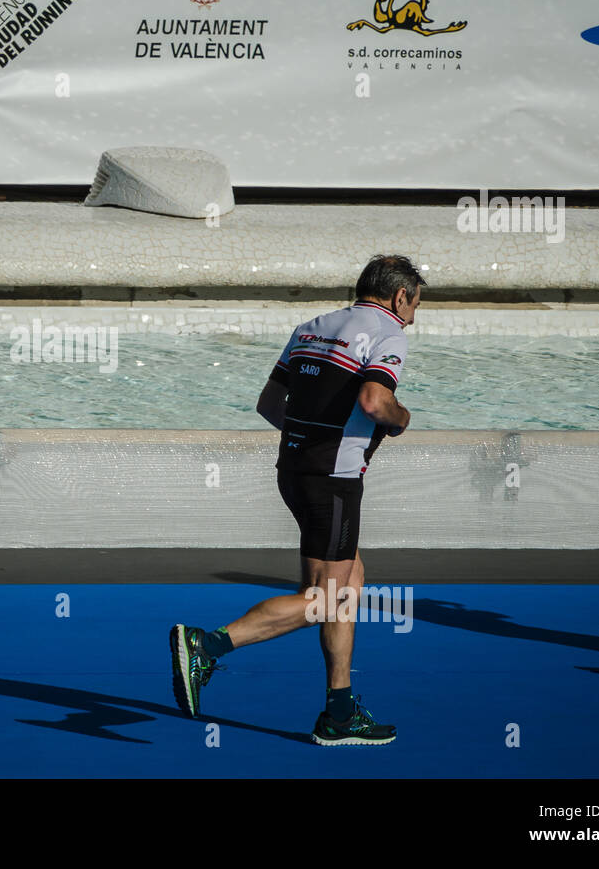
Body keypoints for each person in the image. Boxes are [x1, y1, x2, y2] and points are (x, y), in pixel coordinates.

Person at [170, 254, 423, 745]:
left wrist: (310, 442)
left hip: (294, 470)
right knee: (324, 599)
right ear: (399, 297)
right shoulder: (389, 332)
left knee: (348, 582)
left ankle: (340, 710)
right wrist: (401, 418)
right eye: (415, 303)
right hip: (335, 481)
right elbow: (375, 402)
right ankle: (206, 645)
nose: (414, 314)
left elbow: (269, 404)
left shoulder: (311, 326)